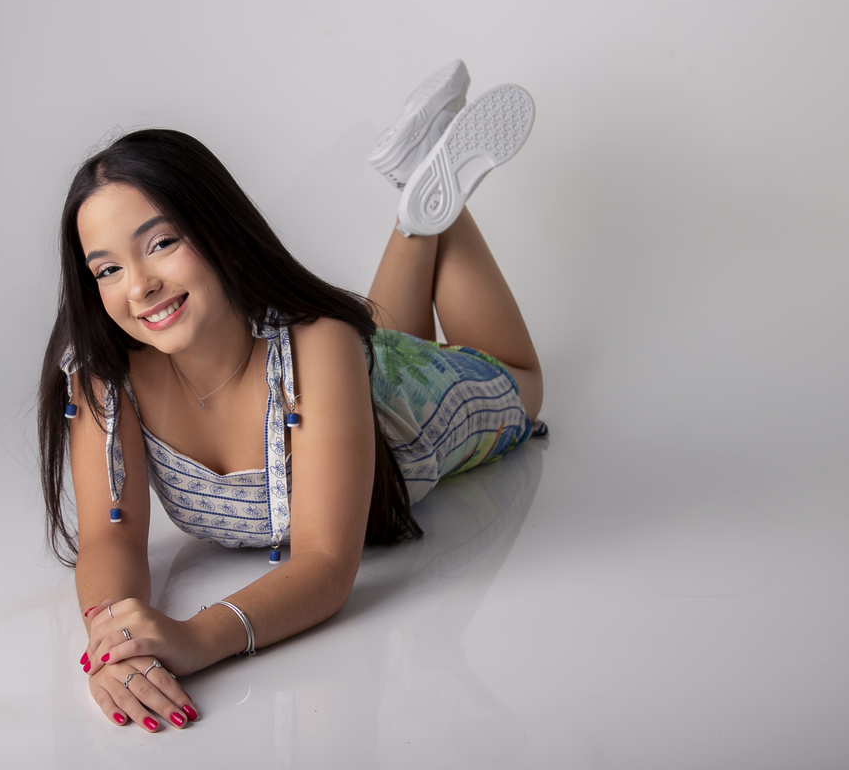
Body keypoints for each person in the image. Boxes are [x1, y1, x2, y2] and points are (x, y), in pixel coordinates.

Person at [37, 59, 547, 732]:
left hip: (407, 411)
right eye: (106, 269)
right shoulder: (107, 378)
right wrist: (116, 644)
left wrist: (194, 637)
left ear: (218, 228)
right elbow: (111, 539)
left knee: (520, 381)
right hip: (344, 373)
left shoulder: (321, 346)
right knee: (371, 337)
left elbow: (327, 563)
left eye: (160, 243)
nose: (139, 286)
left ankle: (430, 194)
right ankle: (419, 182)